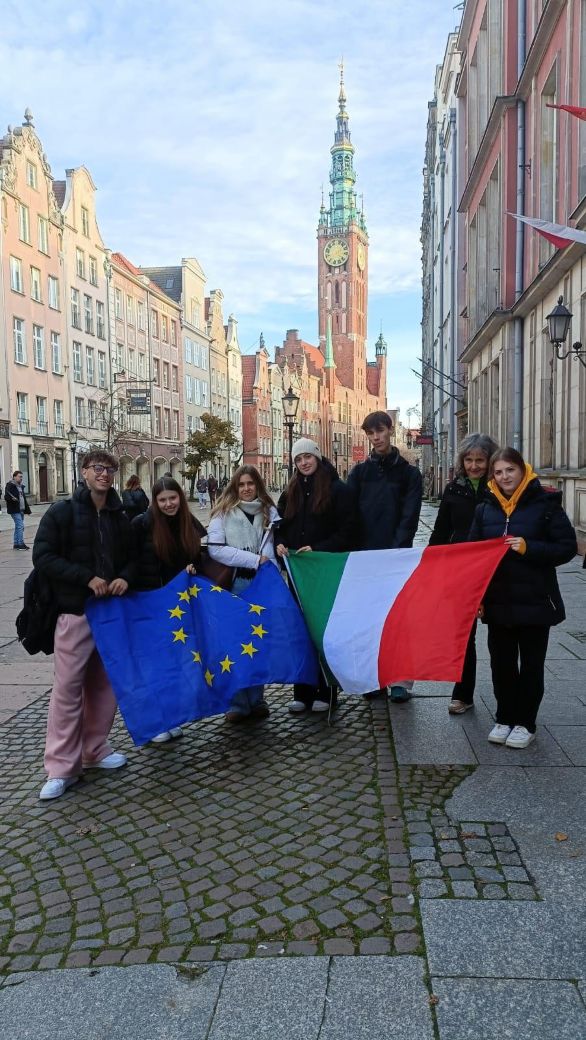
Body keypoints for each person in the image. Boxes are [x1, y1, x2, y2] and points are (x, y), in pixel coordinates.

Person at [32, 450, 132, 800]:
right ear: (84, 472)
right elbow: (43, 556)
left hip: (110, 613)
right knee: (67, 689)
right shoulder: (62, 512)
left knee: (104, 686)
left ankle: (94, 748)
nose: (105, 474)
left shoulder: (119, 514)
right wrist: (86, 578)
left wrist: (124, 577)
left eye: (110, 469)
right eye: (98, 468)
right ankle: (61, 767)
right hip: (74, 611)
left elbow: (133, 557)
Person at [469, 447, 577, 749]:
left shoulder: (545, 504)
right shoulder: (484, 509)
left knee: (531, 665)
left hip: (535, 599)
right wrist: (476, 597)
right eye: (498, 472)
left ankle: (525, 722)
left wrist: (529, 548)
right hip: (498, 600)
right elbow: (473, 557)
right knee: (501, 665)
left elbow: (567, 547)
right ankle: (504, 717)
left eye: (510, 470)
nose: (504, 477)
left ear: (522, 469)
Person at [276, 438, 356, 715]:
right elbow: (279, 525)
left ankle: (327, 690)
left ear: (317, 457)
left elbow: (349, 531)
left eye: (307, 457)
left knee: (323, 631)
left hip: (324, 572)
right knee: (300, 632)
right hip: (299, 574)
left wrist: (320, 548)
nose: (303, 463)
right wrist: (280, 543)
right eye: (298, 459)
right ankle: (302, 691)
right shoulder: (291, 491)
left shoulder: (337, 490)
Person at [347, 411, 422, 702]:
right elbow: (350, 513)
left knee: (398, 619)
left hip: (395, 557)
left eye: (379, 431)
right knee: (369, 621)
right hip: (365, 556)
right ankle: (373, 678)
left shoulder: (408, 474)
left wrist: (396, 550)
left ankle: (399, 680)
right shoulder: (359, 473)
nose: (376, 437)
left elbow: (409, 516)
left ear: (390, 430)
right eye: (370, 433)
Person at [128, 476, 206, 743]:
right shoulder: (141, 524)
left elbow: (201, 554)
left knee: (174, 662)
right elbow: (132, 562)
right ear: (155, 501)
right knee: (154, 663)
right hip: (151, 602)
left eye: (173, 498)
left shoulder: (189, 522)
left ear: (180, 498)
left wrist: (195, 567)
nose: (169, 504)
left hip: (179, 604)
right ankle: (155, 722)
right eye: (162, 500)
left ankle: (170, 717)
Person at [429, 433, 498, 714]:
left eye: (480, 460)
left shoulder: (499, 488)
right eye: (469, 460)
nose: (474, 466)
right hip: (461, 569)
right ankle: (462, 694)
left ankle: (506, 700)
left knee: (499, 636)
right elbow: (441, 530)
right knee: (463, 635)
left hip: (494, 570)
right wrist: (430, 562)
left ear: (490, 461)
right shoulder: (453, 489)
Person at [207, 465, 280, 723]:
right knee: (234, 645)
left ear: (257, 485)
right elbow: (216, 549)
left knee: (257, 644)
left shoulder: (269, 512)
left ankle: (257, 699)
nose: (247, 489)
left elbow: (272, 548)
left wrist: (269, 565)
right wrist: (254, 560)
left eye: (251, 483)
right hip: (235, 585)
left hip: (262, 585)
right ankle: (237, 702)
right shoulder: (223, 513)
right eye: (241, 484)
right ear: (235, 487)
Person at [4, 470, 31, 550]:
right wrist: (12, 499)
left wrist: (28, 510)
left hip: (21, 509)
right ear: (14, 477)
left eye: (22, 477)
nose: (21, 478)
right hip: (14, 509)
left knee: (18, 527)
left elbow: (23, 499)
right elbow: (6, 497)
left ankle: (16, 544)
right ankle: (20, 544)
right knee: (20, 526)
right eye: (20, 476)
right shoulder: (10, 485)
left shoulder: (20, 486)